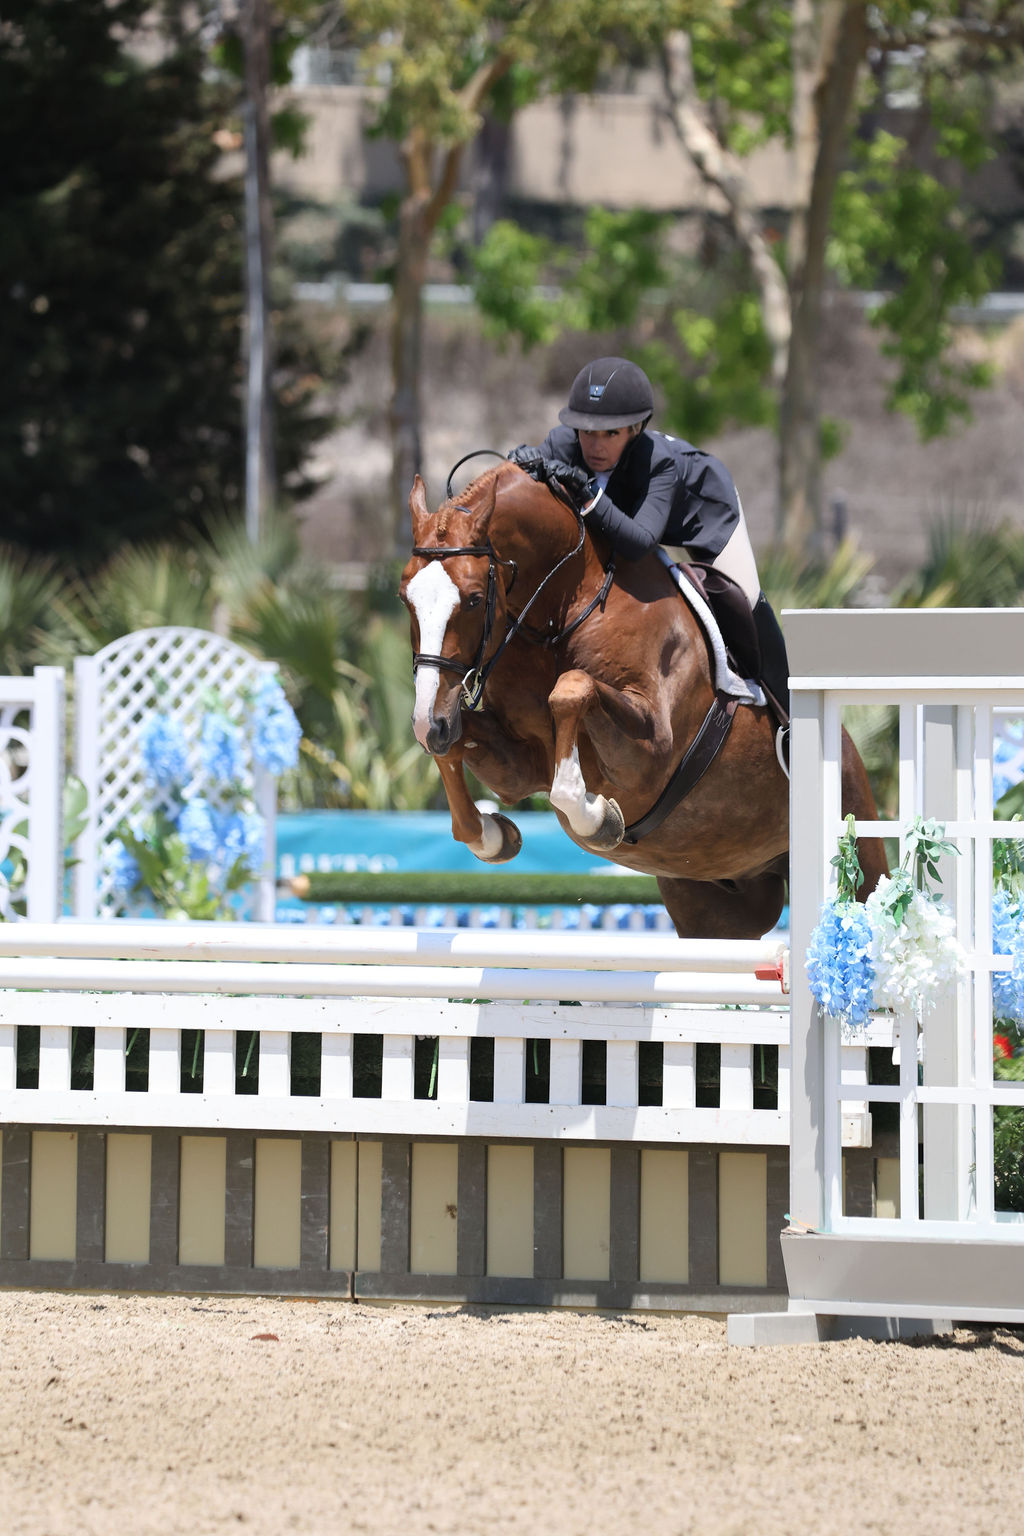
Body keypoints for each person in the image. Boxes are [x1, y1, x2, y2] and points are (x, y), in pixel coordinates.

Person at [507, 355, 790, 726]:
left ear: (636, 428)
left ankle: (790, 717)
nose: (595, 445)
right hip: (627, 514)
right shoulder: (562, 443)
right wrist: (516, 466)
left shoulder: (659, 461)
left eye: (611, 433)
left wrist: (585, 494)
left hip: (702, 512)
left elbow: (640, 544)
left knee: (743, 600)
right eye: (587, 431)